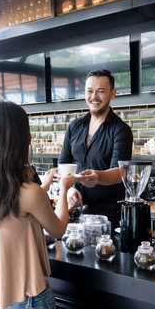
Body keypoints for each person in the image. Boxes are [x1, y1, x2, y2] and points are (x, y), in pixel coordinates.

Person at [0, 100, 77, 309]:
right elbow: (58, 230)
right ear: (18, 138)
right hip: (27, 308)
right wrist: (65, 189)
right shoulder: (28, 192)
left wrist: (42, 188)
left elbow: (9, 212)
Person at [59, 69, 133, 229]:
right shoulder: (74, 126)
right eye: (89, 91)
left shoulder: (121, 129)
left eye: (100, 91)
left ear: (112, 93)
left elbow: (121, 172)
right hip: (75, 213)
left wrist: (98, 177)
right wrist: (70, 189)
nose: (94, 97)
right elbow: (63, 163)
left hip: (108, 216)